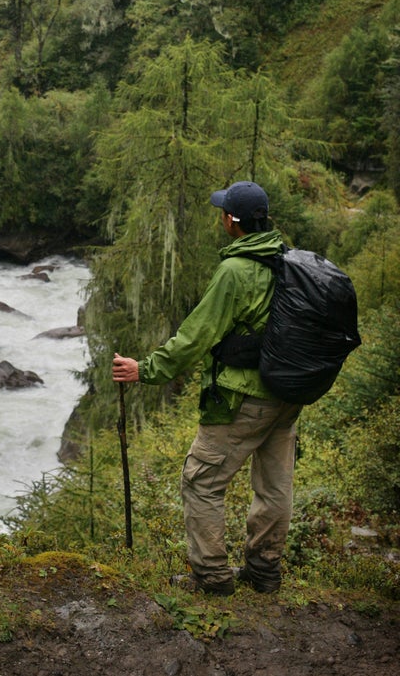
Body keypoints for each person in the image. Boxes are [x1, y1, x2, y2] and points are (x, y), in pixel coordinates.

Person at [112, 180, 301, 596]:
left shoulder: (235, 271)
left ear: (232, 221)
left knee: (201, 481)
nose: (221, 217)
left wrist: (144, 369)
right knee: (274, 486)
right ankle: (264, 571)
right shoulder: (286, 260)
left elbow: (196, 337)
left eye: (223, 212)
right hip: (287, 395)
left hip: (244, 397)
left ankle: (213, 577)